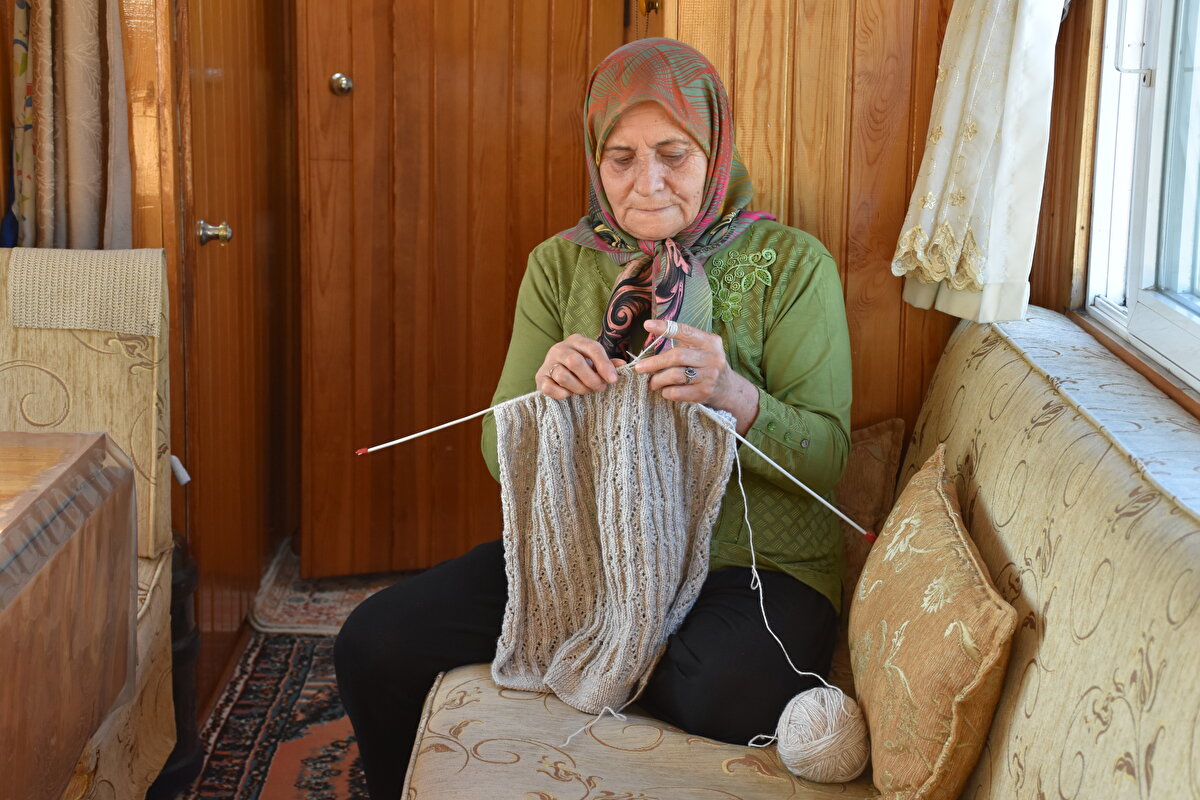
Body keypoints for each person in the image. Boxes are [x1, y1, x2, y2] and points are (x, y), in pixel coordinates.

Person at [335, 37, 851, 799]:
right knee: (374, 643)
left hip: (752, 563)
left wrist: (735, 398)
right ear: (595, 160)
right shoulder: (559, 265)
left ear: (714, 152)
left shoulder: (795, 262)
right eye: (622, 158)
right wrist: (550, 406)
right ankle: (613, 647)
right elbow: (496, 450)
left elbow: (829, 457)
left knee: (724, 693)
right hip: (594, 553)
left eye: (674, 154)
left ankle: (611, 653)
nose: (648, 182)